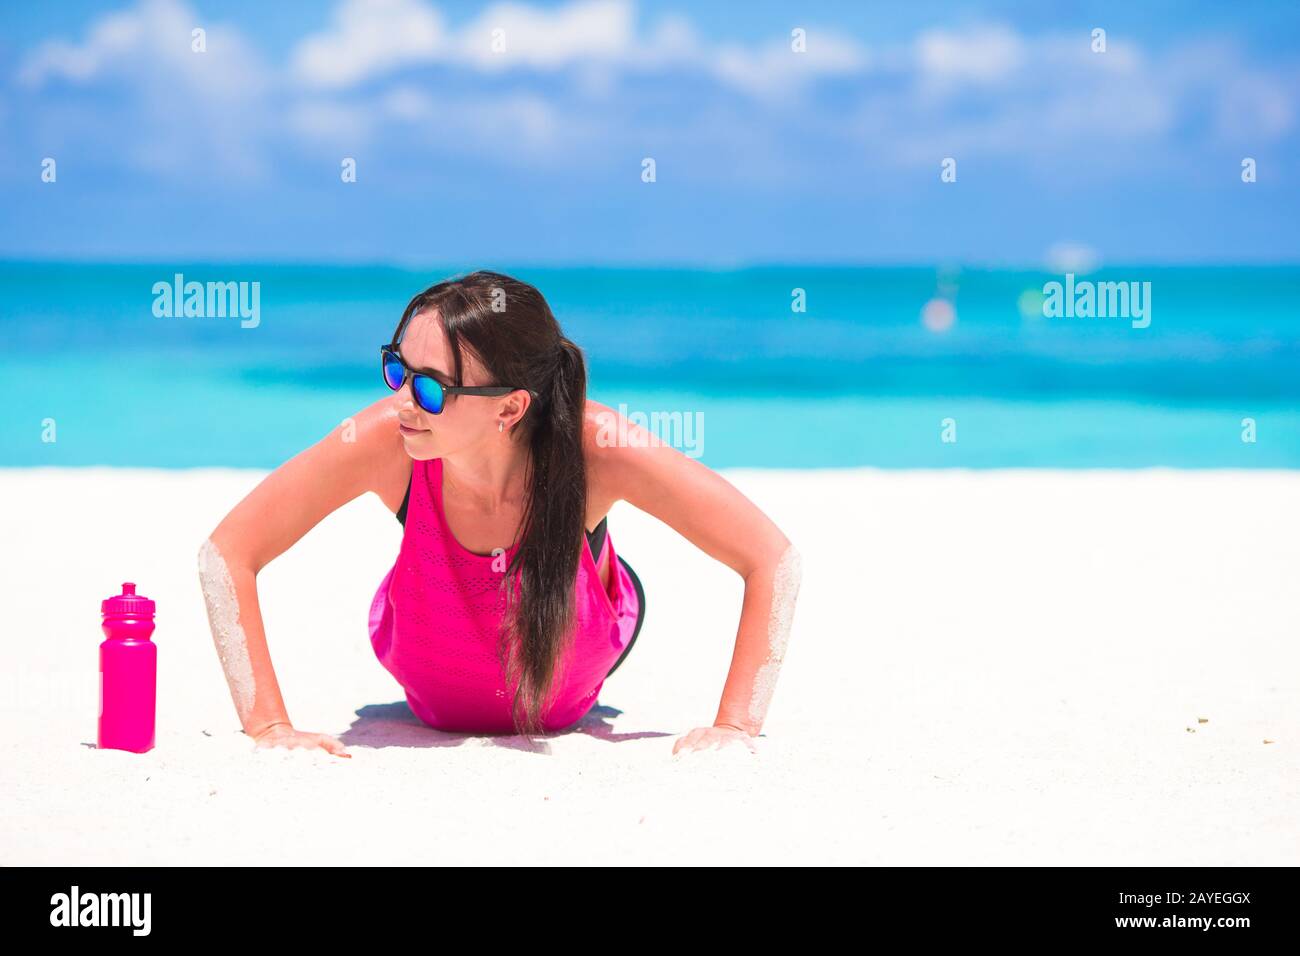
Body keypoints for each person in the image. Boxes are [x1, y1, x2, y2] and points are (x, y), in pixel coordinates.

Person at [197, 270, 801, 757]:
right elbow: (228, 553)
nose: (402, 400)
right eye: (395, 368)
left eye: (431, 387)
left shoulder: (598, 448)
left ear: (510, 408)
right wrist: (270, 727)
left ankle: (598, 562)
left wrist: (735, 728)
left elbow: (771, 557)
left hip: (579, 633)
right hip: (430, 618)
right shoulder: (387, 441)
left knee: (593, 573)